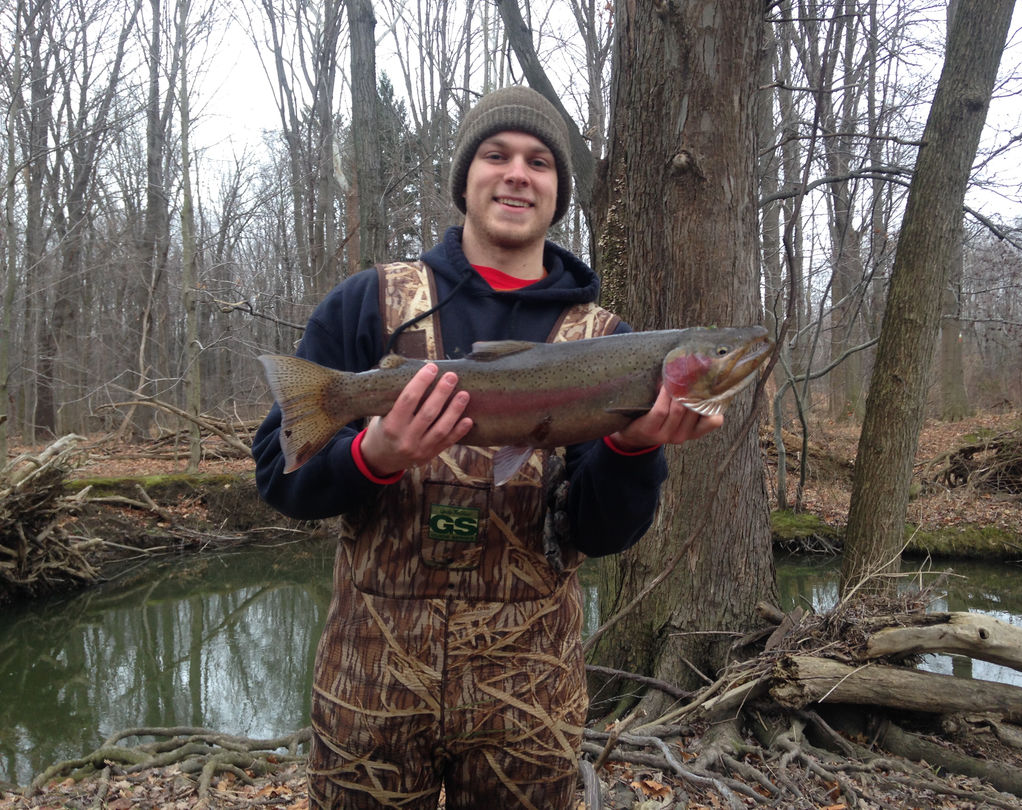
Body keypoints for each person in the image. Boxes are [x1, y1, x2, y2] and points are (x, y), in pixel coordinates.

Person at [253, 85, 725, 810]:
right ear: (465, 177)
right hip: (369, 685)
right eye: (496, 155)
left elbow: (600, 533)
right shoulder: (369, 303)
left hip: (529, 697)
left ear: (558, 190)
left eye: (539, 161)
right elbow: (277, 475)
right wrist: (372, 456)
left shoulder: (607, 340)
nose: (517, 174)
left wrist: (633, 450)